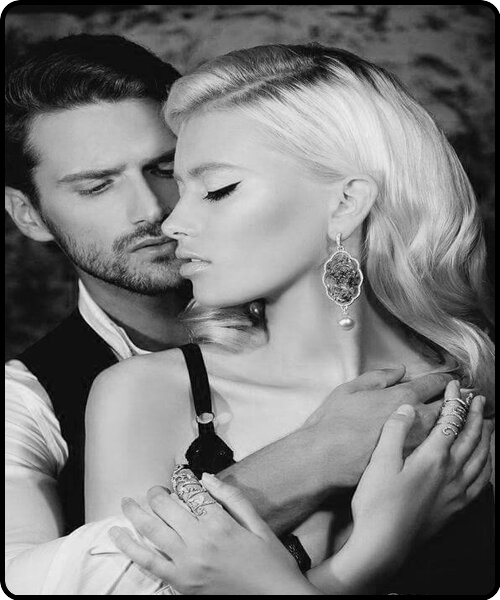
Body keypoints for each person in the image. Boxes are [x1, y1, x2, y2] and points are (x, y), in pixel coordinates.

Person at [4, 35, 460, 595]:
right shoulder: (41, 401)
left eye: (170, 169)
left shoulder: (457, 373)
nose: (160, 214)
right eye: (97, 186)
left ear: (347, 201)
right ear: (27, 214)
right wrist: (320, 468)